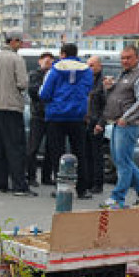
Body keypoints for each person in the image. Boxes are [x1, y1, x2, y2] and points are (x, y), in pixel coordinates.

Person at [102, 45, 139, 208]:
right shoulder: (124, 74)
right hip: (118, 123)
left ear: (137, 58)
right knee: (122, 160)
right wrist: (110, 87)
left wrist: (126, 117)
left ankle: (118, 198)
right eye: (123, 58)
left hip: (129, 125)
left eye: (128, 58)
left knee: (123, 163)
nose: (124, 61)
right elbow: (121, 97)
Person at [40, 44, 94, 198]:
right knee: (80, 152)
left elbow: (45, 93)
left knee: (57, 153)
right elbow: (87, 89)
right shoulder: (86, 70)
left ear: (62, 54)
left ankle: (61, 187)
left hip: (56, 116)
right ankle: (82, 189)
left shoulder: (55, 69)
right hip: (77, 116)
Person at [0, 30, 31, 195]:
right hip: (12, 107)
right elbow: (23, 83)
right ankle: (19, 185)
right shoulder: (16, 59)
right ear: (14, 41)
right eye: (20, 42)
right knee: (15, 148)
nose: (20, 46)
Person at [27, 51, 54, 186]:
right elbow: (33, 91)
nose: (48, 63)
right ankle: (31, 176)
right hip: (38, 115)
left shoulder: (55, 75)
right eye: (45, 61)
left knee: (51, 148)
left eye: (50, 61)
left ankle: (47, 176)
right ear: (40, 61)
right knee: (33, 147)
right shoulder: (34, 75)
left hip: (51, 116)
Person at [85, 54, 109, 192]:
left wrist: (101, 123)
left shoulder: (103, 83)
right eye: (88, 65)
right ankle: (87, 181)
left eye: (92, 65)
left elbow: (107, 106)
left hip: (96, 122)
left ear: (100, 66)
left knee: (96, 154)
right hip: (85, 122)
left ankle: (97, 183)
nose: (89, 68)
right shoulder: (87, 80)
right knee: (86, 153)